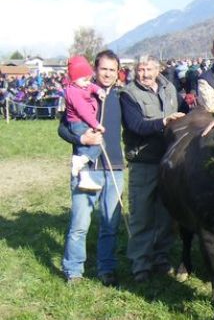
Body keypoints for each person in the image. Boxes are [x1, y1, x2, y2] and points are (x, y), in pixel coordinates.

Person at [59, 50, 124, 286]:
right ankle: (73, 270)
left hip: (115, 167)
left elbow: (138, 123)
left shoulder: (121, 96)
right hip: (89, 168)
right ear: (95, 70)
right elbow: (62, 129)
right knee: (79, 224)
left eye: (112, 70)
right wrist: (82, 140)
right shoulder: (80, 92)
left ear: (118, 73)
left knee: (110, 224)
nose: (107, 74)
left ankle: (106, 268)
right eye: (103, 69)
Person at [121, 55, 185, 283]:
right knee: (142, 215)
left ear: (158, 69)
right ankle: (141, 264)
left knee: (165, 216)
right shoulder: (129, 94)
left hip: (168, 163)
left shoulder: (169, 89)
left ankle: (161, 258)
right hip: (144, 162)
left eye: (149, 69)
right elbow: (135, 125)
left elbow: (185, 109)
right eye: (140, 69)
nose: (144, 74)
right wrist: (163, 122)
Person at [63, 55, 106, 192]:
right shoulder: (73, 92)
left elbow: (91, 87)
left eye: (89, 79)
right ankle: (81, 163)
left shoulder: (82, 85)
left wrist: (98, 90)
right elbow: (83, 112)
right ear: (74, 78)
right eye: (85, 80)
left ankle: (83, 167)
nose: (88, 82)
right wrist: (96, 125)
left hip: (83, 122)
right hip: (78, 123)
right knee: (92, 145)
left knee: (96, 145)